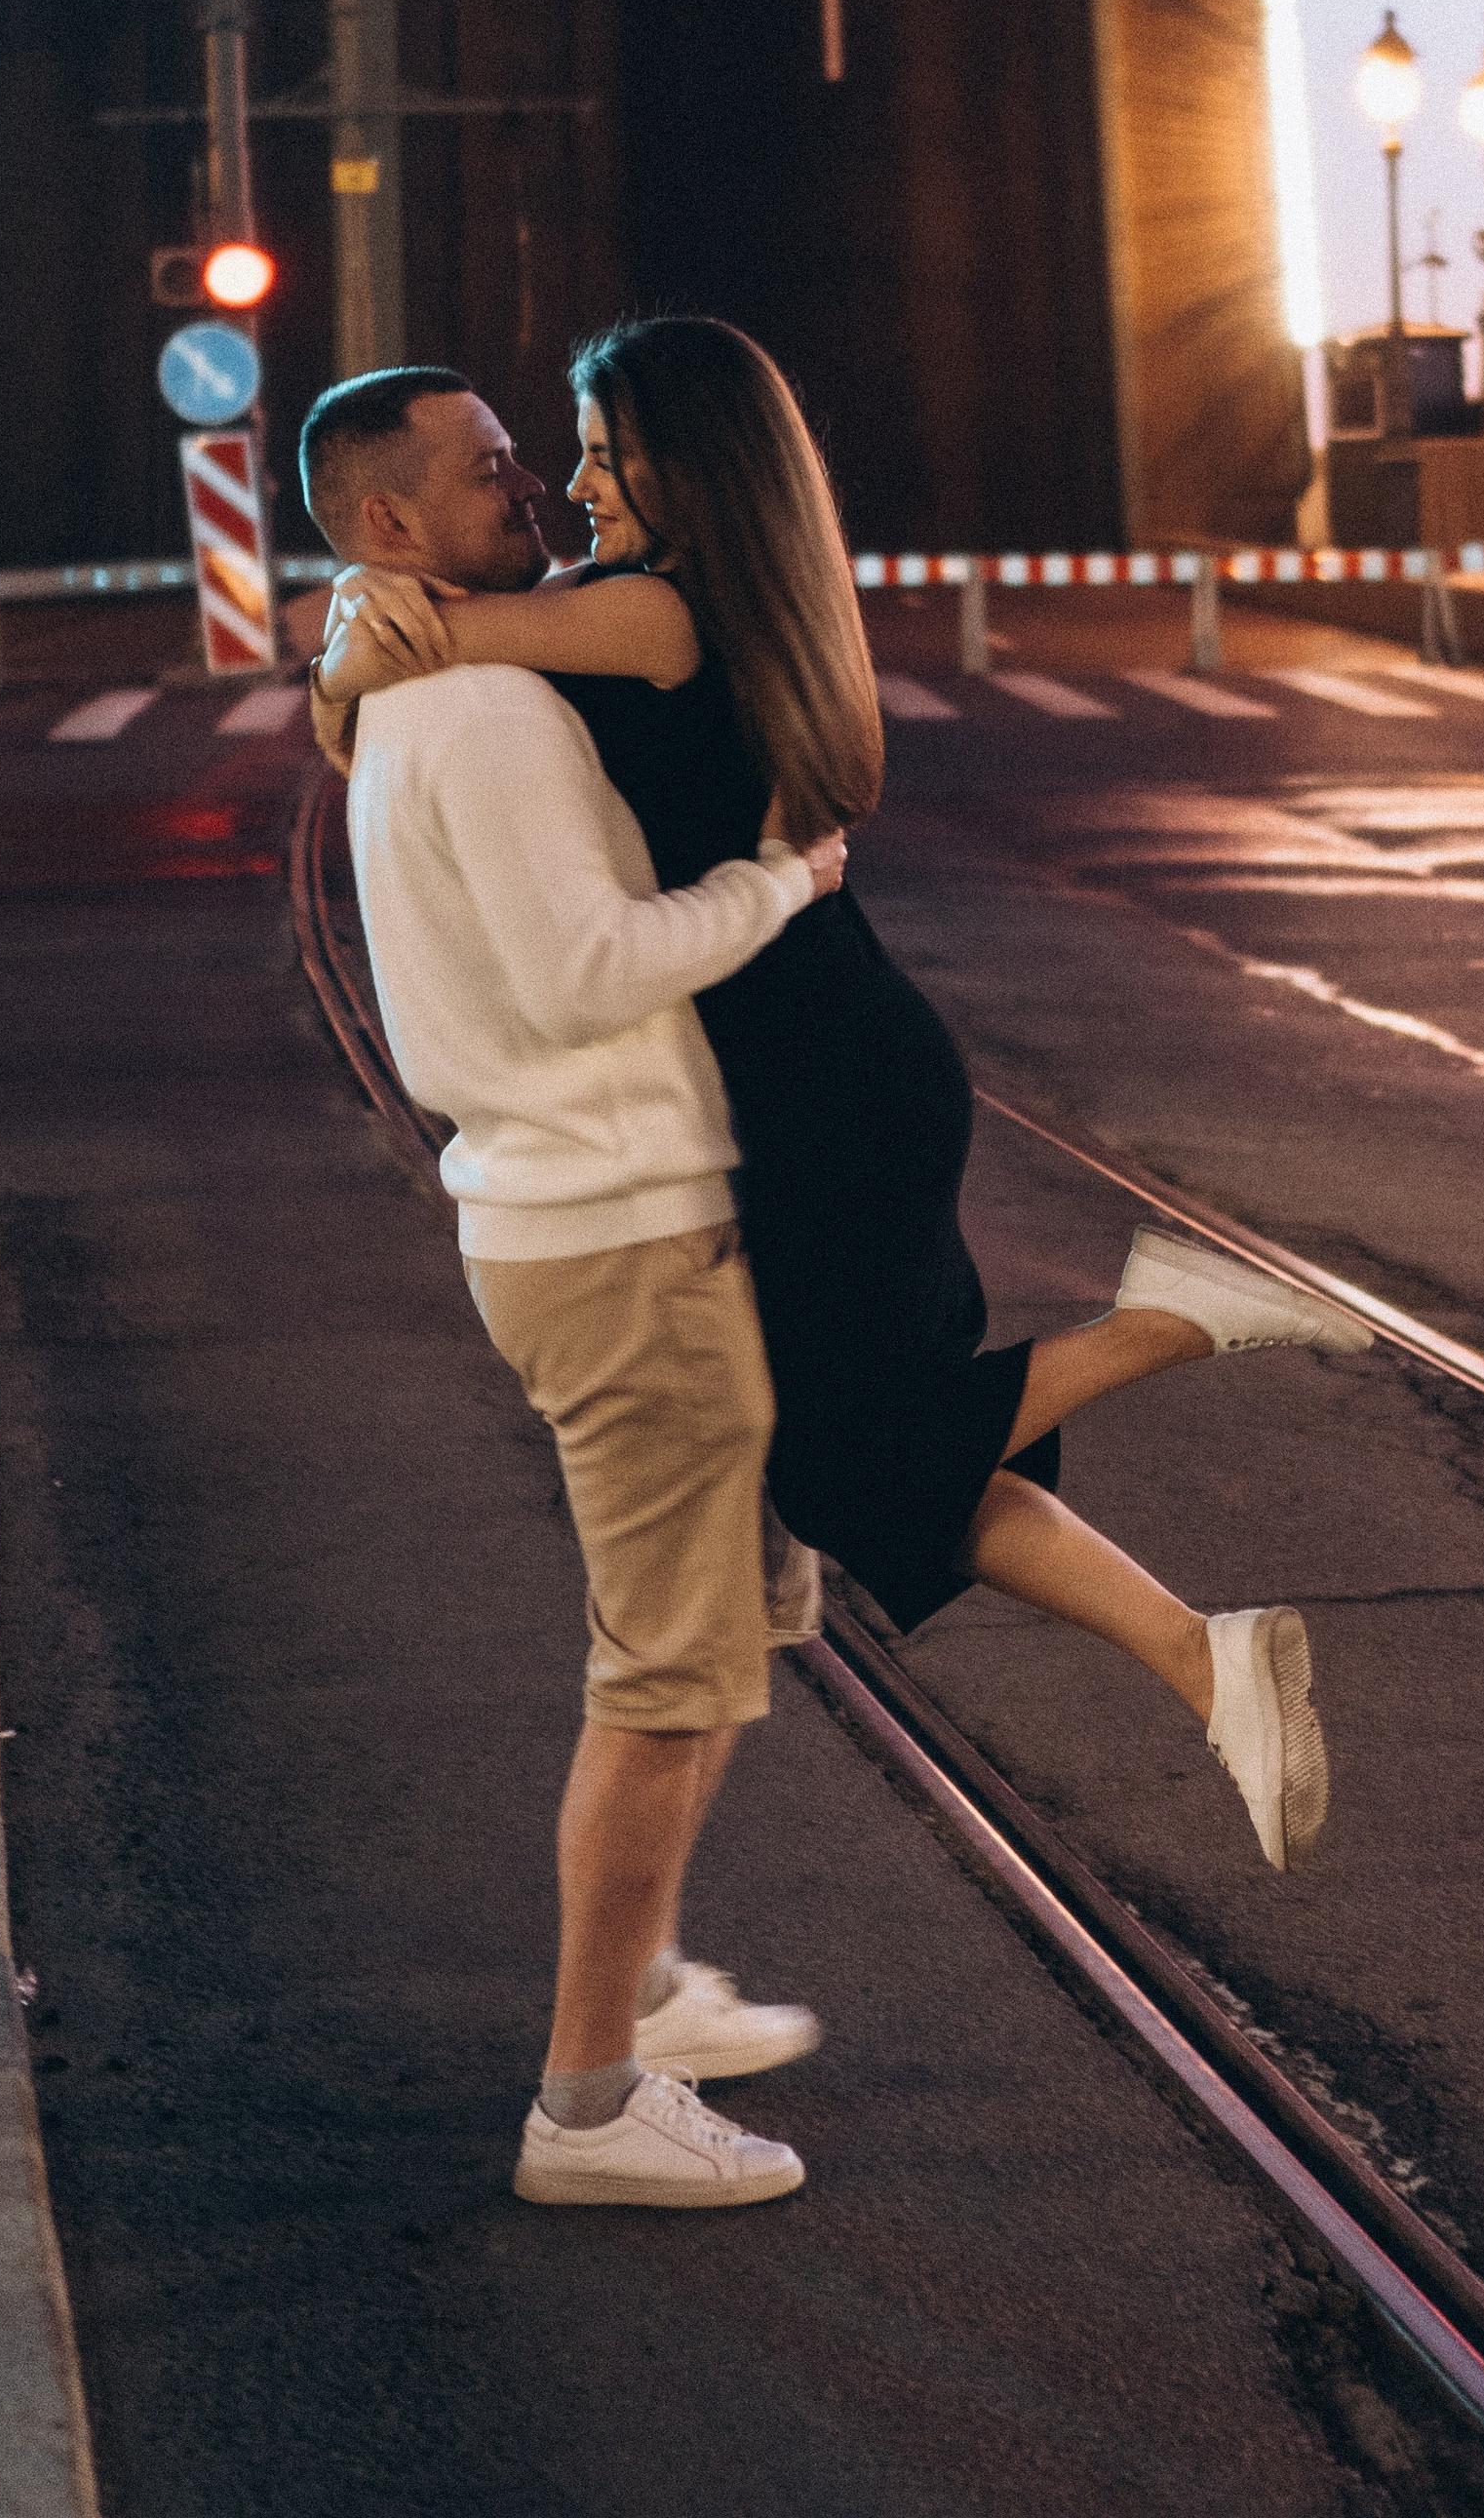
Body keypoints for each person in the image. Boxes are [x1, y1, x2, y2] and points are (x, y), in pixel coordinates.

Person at [317, 318, 1375, 1876]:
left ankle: (1170, 1320)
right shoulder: (707, 603)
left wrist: (356, 625)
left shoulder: (651, 616)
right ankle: (1206, 1665)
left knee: (839, 1461)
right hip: (835, 1060)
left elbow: (431, 654)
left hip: (816, 1085)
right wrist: (365, 611)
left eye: (605, 450)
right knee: (881, 1462)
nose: (574, 481)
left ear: (689, 470)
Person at [297, 363, 842, 2212]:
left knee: (705, 1639)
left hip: (594, 1217)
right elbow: (587, 967)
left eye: (534, 458)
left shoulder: (422, 693)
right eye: (486, 470)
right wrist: (779, 888)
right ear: (387, 526)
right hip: (616, 1237)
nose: (529, 484)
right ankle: (592, 2105)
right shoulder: (493, 710)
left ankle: (649, 1989)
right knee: (668, 1677)